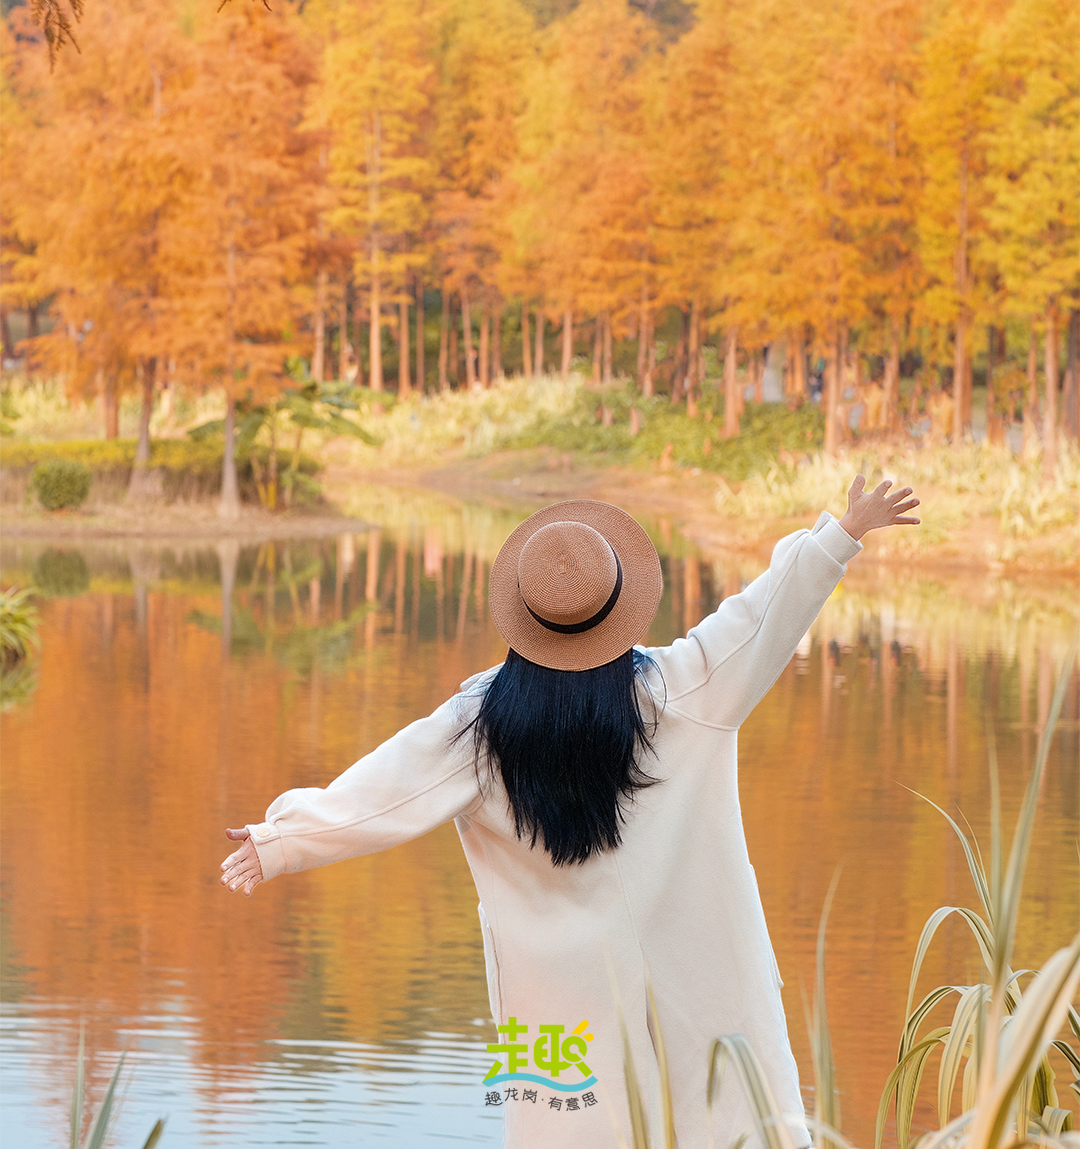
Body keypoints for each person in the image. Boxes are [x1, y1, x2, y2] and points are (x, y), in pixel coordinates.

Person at [221, 475, 920, 1148]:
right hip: (704, 987)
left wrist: (281, 838)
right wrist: (843, 532)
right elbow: (764, 612)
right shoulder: (687, 690)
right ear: (621, 607)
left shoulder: (481, 726)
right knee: (731, 1121)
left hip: (565, 1011)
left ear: (522, 619)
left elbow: (386, 788)